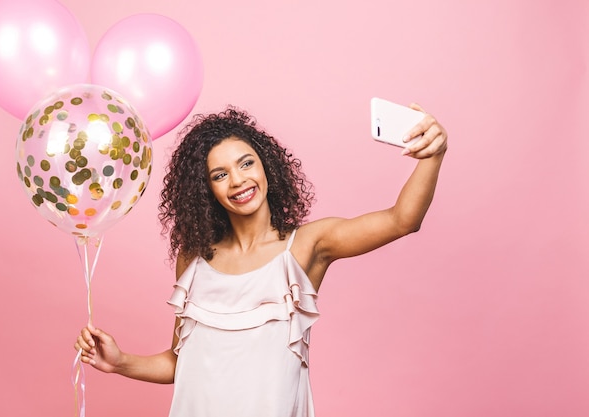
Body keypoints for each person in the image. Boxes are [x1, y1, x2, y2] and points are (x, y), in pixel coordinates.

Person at [74, 104, 448, 417]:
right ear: (207, 190)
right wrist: (120, 361)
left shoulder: (307, 246)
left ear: (266, 165)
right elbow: (182, 363)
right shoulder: (195, 256)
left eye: (246, 163)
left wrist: (434, 154)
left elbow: (403, 220)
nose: (237, 180)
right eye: (220, 175)